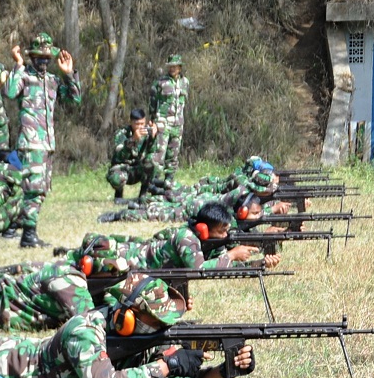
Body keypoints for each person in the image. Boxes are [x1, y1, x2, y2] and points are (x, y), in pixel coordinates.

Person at [0, 273, 254, 378]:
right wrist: (166, 365)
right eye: (156, 321)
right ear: (126, 317)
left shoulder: (128, 339)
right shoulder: (84, 332)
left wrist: (223, 371)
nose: (162, 330)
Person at [5, 33, 81, 248]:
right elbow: (10, 92)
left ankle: (17, 226)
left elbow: (75, 100)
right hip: (30, 142)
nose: (43, 62)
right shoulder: (25, 77)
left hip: (47, 143)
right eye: (39, 57)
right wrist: (18, 65)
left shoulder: (53, 81)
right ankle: (28, 236)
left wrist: (68, 74)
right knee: (34, 190)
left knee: (41, 190)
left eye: (47, 58)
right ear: (32, 58)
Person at [67, 201, 278, 272]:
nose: (225, 235)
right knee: (86, 263)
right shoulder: (186, 237)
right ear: (204, 228)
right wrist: (231, 255)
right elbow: (200, 270)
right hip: (133, 260)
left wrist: (258, 264)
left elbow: (220, 268)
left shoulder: (208, 242)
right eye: (221, 231)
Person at [149, 55, 190, 186]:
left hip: (178, 124)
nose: (172, 68)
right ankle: (154, 182)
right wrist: (153, 120)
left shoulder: (185, 82)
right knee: (159, 154)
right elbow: (152, 102)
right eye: (170, 66)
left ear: (180, 67)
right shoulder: (160, 82)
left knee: (173, 155)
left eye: (175, 66)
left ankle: (169, 182)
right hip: (163, 123)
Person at [106, 109, 161, 203]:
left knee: (153, 164)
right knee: (116, 178)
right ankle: (118, 195)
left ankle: (143, 195)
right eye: (137, 124)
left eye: (142, 123)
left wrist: (153, 137)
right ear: (131, 122)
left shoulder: (147, 133)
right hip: (124, 168)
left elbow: (152, 153)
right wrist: (132, 140)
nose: (140, 127)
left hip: (139, 168)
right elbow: (120, 157)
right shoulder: (122, 133)